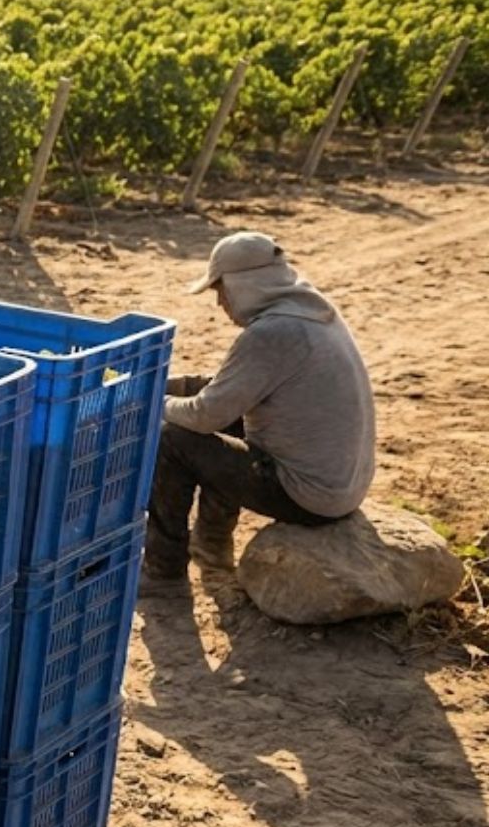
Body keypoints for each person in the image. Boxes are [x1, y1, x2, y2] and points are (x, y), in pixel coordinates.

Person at [143, 231, 375, 590]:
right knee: (228, 418)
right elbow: (233, 387)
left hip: (309, 496)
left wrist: (152, 402)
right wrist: (166, 384)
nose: (221, 304)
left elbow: (206, 415)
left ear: (244, 285)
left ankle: (164, 572)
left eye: (221, 291)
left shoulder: (271, 334)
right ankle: (211, 545)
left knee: (173, 439)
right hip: (342, 486)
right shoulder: (309, 312)